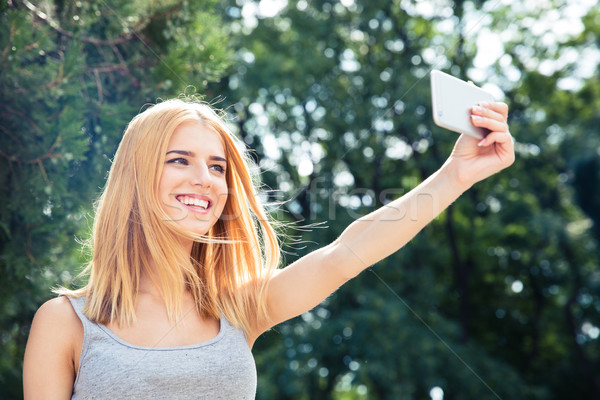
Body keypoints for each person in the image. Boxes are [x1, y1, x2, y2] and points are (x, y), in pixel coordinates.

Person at [22, 97, 514, 399]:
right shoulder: (67, 322)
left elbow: (346, 252)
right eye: (180, 160)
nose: (205, 180)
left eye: (218, 167)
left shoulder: (238, 308)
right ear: (134, 177)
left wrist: (457, 174)